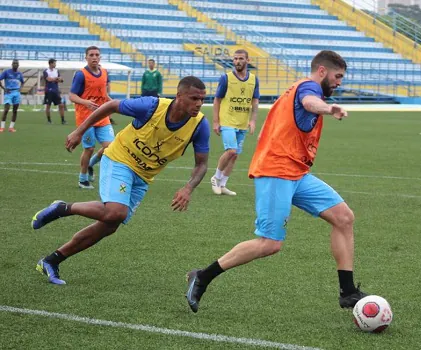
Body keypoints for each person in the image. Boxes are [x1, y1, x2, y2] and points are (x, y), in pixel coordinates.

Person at [185, 50, 367, 313]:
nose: (339, 83)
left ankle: (348, 292)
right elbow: (309, 102)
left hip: (297, 172)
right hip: (276, 170)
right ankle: (202, 276)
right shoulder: (307, 87)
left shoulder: (307, 89)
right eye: (338, 76)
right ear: (322, 72)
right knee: (270, 243)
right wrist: (328, 108)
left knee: (344, 217)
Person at [31, 76, 210, 285]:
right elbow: (112, 105)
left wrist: (188, 188)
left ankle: (52, 260)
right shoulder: (151, 106)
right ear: (179, 96)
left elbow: (202, 164)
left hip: (143, 176)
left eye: (202, 99)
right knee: (116, 212)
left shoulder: (199, 126)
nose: (198, 103)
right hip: (119, 158)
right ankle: (63, 208)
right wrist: (80, 131)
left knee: (110, 224)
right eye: (194, 98)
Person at [210, 49, 259, 196]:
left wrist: (253, 120)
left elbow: (255, 100)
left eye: (241, 59)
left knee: (235, 155)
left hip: (242, 123)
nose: (237, 61)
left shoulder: (254, 79)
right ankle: (216, 178)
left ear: (247, 60)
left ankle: (223, 184)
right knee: (231, 150)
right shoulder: (226, 78)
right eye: (235, 59)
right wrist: (216, 121)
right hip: (227, 121)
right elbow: (217, 99)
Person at [69, 46, 115, 189]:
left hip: (102, 117)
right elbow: (72, 96)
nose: (94, 57)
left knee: (111, 147)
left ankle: (90, 164)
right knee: (88, 148)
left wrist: (111, 103)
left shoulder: (105, 73)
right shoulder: (81, 75)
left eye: (97, 55)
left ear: (100, 57)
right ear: (86, 57)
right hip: (85, 118)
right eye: (91, 55)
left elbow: (103, 94)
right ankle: (82, 179)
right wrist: (85, 102)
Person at [0, 59, 25, 132]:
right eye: (14, 63)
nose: (15, 64)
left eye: (16, 63)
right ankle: (2, 127)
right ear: (12, 64)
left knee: (15, 110)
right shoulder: (6, 72)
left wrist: (20, 88)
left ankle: (11, 128)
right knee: (6, 109)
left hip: (16, 93)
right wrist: (4, 88)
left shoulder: (19, 74)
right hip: (9, 92)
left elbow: (23, 82)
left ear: (18, 65)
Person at [43, 58, 67, 125]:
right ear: (50, 63)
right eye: (54, 63)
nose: (55, 64)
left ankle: (63, 120)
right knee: (48, 106)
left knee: (61, 105)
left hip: (56, 91)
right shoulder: (46, 71)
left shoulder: (56, 71)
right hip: (49, 91)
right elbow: (48, 79)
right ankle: (49, 120)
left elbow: (61, 80)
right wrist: (56, 79)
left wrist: (55, 79)